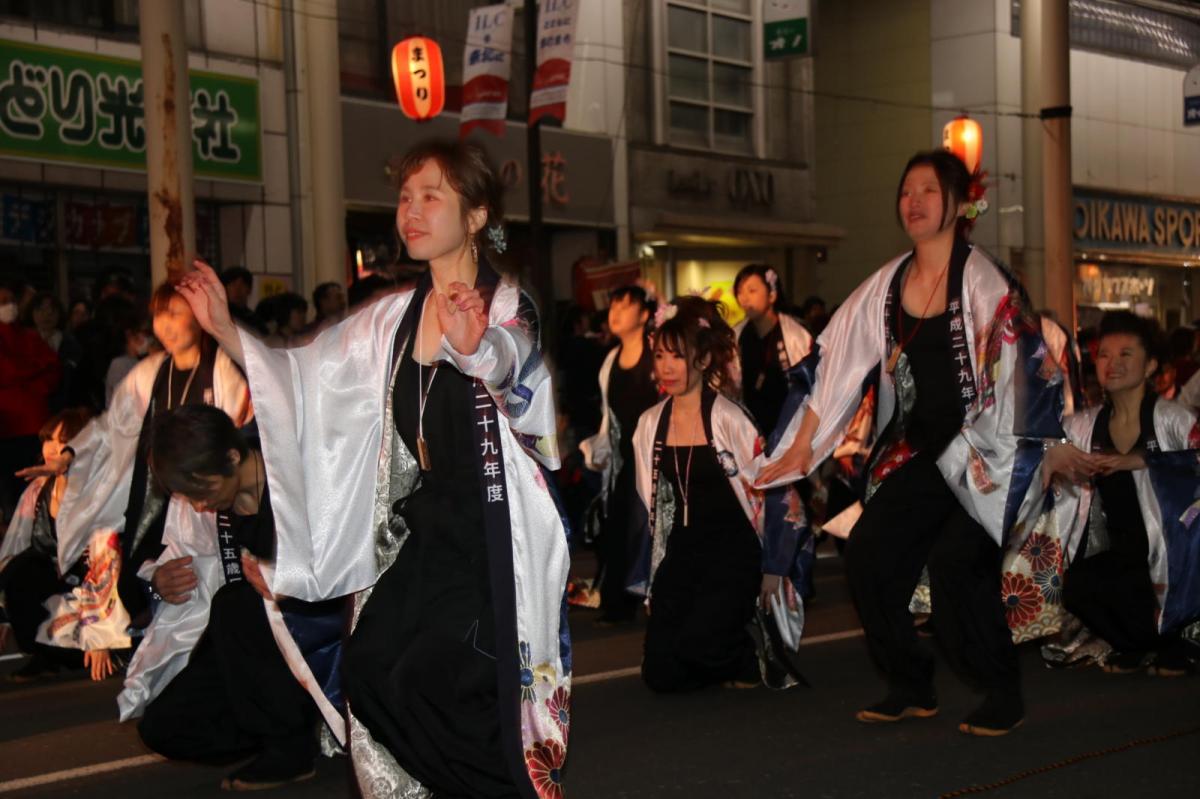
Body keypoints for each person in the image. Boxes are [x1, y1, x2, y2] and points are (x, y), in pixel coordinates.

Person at [178, 138, 571, 799]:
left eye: (431, 196)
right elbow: (305, 380)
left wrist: (483, 353)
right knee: (374, 666)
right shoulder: (394, 314)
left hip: (492, 542)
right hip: (423, 529)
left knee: (458, 684)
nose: (410, 211)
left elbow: (523, 375)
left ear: (475, 215)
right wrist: (226, 330)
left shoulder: (502, 305)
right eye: (404, 197)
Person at [757, 150, 1066, 736]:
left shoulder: (983, 279)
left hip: (987, 457)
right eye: (907, 190)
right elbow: (834, 363)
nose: (915, 200)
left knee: (957, 564)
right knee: (869, 554)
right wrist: (800, 447)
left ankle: (1002, 690)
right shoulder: (888, 283)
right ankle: (911, 681)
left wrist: (1044, 447)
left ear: (958, 203)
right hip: (923, 453)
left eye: (929, 189)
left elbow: (1029, 367)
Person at [129, 405, 344, 790]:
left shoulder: (297, 473)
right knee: (163, 727)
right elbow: (149, 554)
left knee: (237, 606)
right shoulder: (210, 492)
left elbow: (351, 562)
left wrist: (290, 582)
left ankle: (290, 745)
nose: (197, 506)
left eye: (201, 492)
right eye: (187, 496)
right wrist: (157, 579)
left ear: (232, 456)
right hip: (256, 651)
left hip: (320, 626)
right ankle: (291, 732)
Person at [25, 283, 251, 640]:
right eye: (161, 315)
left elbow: (243, 427)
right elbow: (110, 425)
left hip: (205, 495)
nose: (167, 325)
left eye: (176, 313)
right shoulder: (151, 372)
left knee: (208, 580)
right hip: (155, 494)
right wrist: (70, 455)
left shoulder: (221, 368)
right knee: (144, 572)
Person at [631, 297, 810, 693]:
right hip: (684, 548)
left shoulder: (729, 417)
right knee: (661, 675)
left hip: (734, 549)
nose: (666, 367)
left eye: (678, 356)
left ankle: (744, 652)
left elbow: (773, 488)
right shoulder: (648, 425)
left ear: (703, 359)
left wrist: (774, 566)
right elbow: (649, 503)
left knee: (699, 645)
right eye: (660, 355)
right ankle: (715, 647)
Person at [1041, 311, 1200, 676]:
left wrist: (1140, 460)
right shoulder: (1080, 425)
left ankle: (1174, 644)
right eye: (1104, 355)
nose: (1112, 364)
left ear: (1151, 366)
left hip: (1178, 557)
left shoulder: (1174, 420)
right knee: (1075, 584)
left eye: (1126, 354)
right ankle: (1141, 644)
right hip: (1122, 557)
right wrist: (1054, 461)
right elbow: (1037, 468)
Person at [581, 284, 660, 625]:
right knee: (617, 527)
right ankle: (619, 601)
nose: (616, 313)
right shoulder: (610, 361)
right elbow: (607, 416)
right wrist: (598, 449)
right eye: (613, 305)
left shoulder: (658, 353)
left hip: (656, 457)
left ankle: (656, 597)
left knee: (652, 529)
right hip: (623, 459)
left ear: (645, 315)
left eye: (626, 306)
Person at [0, 409, 98, 681]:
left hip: (96, 587)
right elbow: (14, 547)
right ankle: (45, 653)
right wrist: (4, 614)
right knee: (22, 566)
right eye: (48, 440)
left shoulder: (101, 489)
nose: (53, 449)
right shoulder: (38, 489)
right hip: (56, 587)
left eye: (63, 440)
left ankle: (99, 646)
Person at [0, 279, 60, 524]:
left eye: (11, 301)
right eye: (3, 302)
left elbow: (53, 368)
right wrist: (32, 374)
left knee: (36, 488)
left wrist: (28, 381)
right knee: (10, 492)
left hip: (34, 425)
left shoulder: (29, 336)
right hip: (6, 428)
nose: (9, 306)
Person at [733, 264, 813, 435]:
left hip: (789, 430)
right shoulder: (737, 336)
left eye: (752, 291)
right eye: (740, 292)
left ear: (772, 295)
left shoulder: (796, 336)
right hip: (750, 432)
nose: (744, 298)